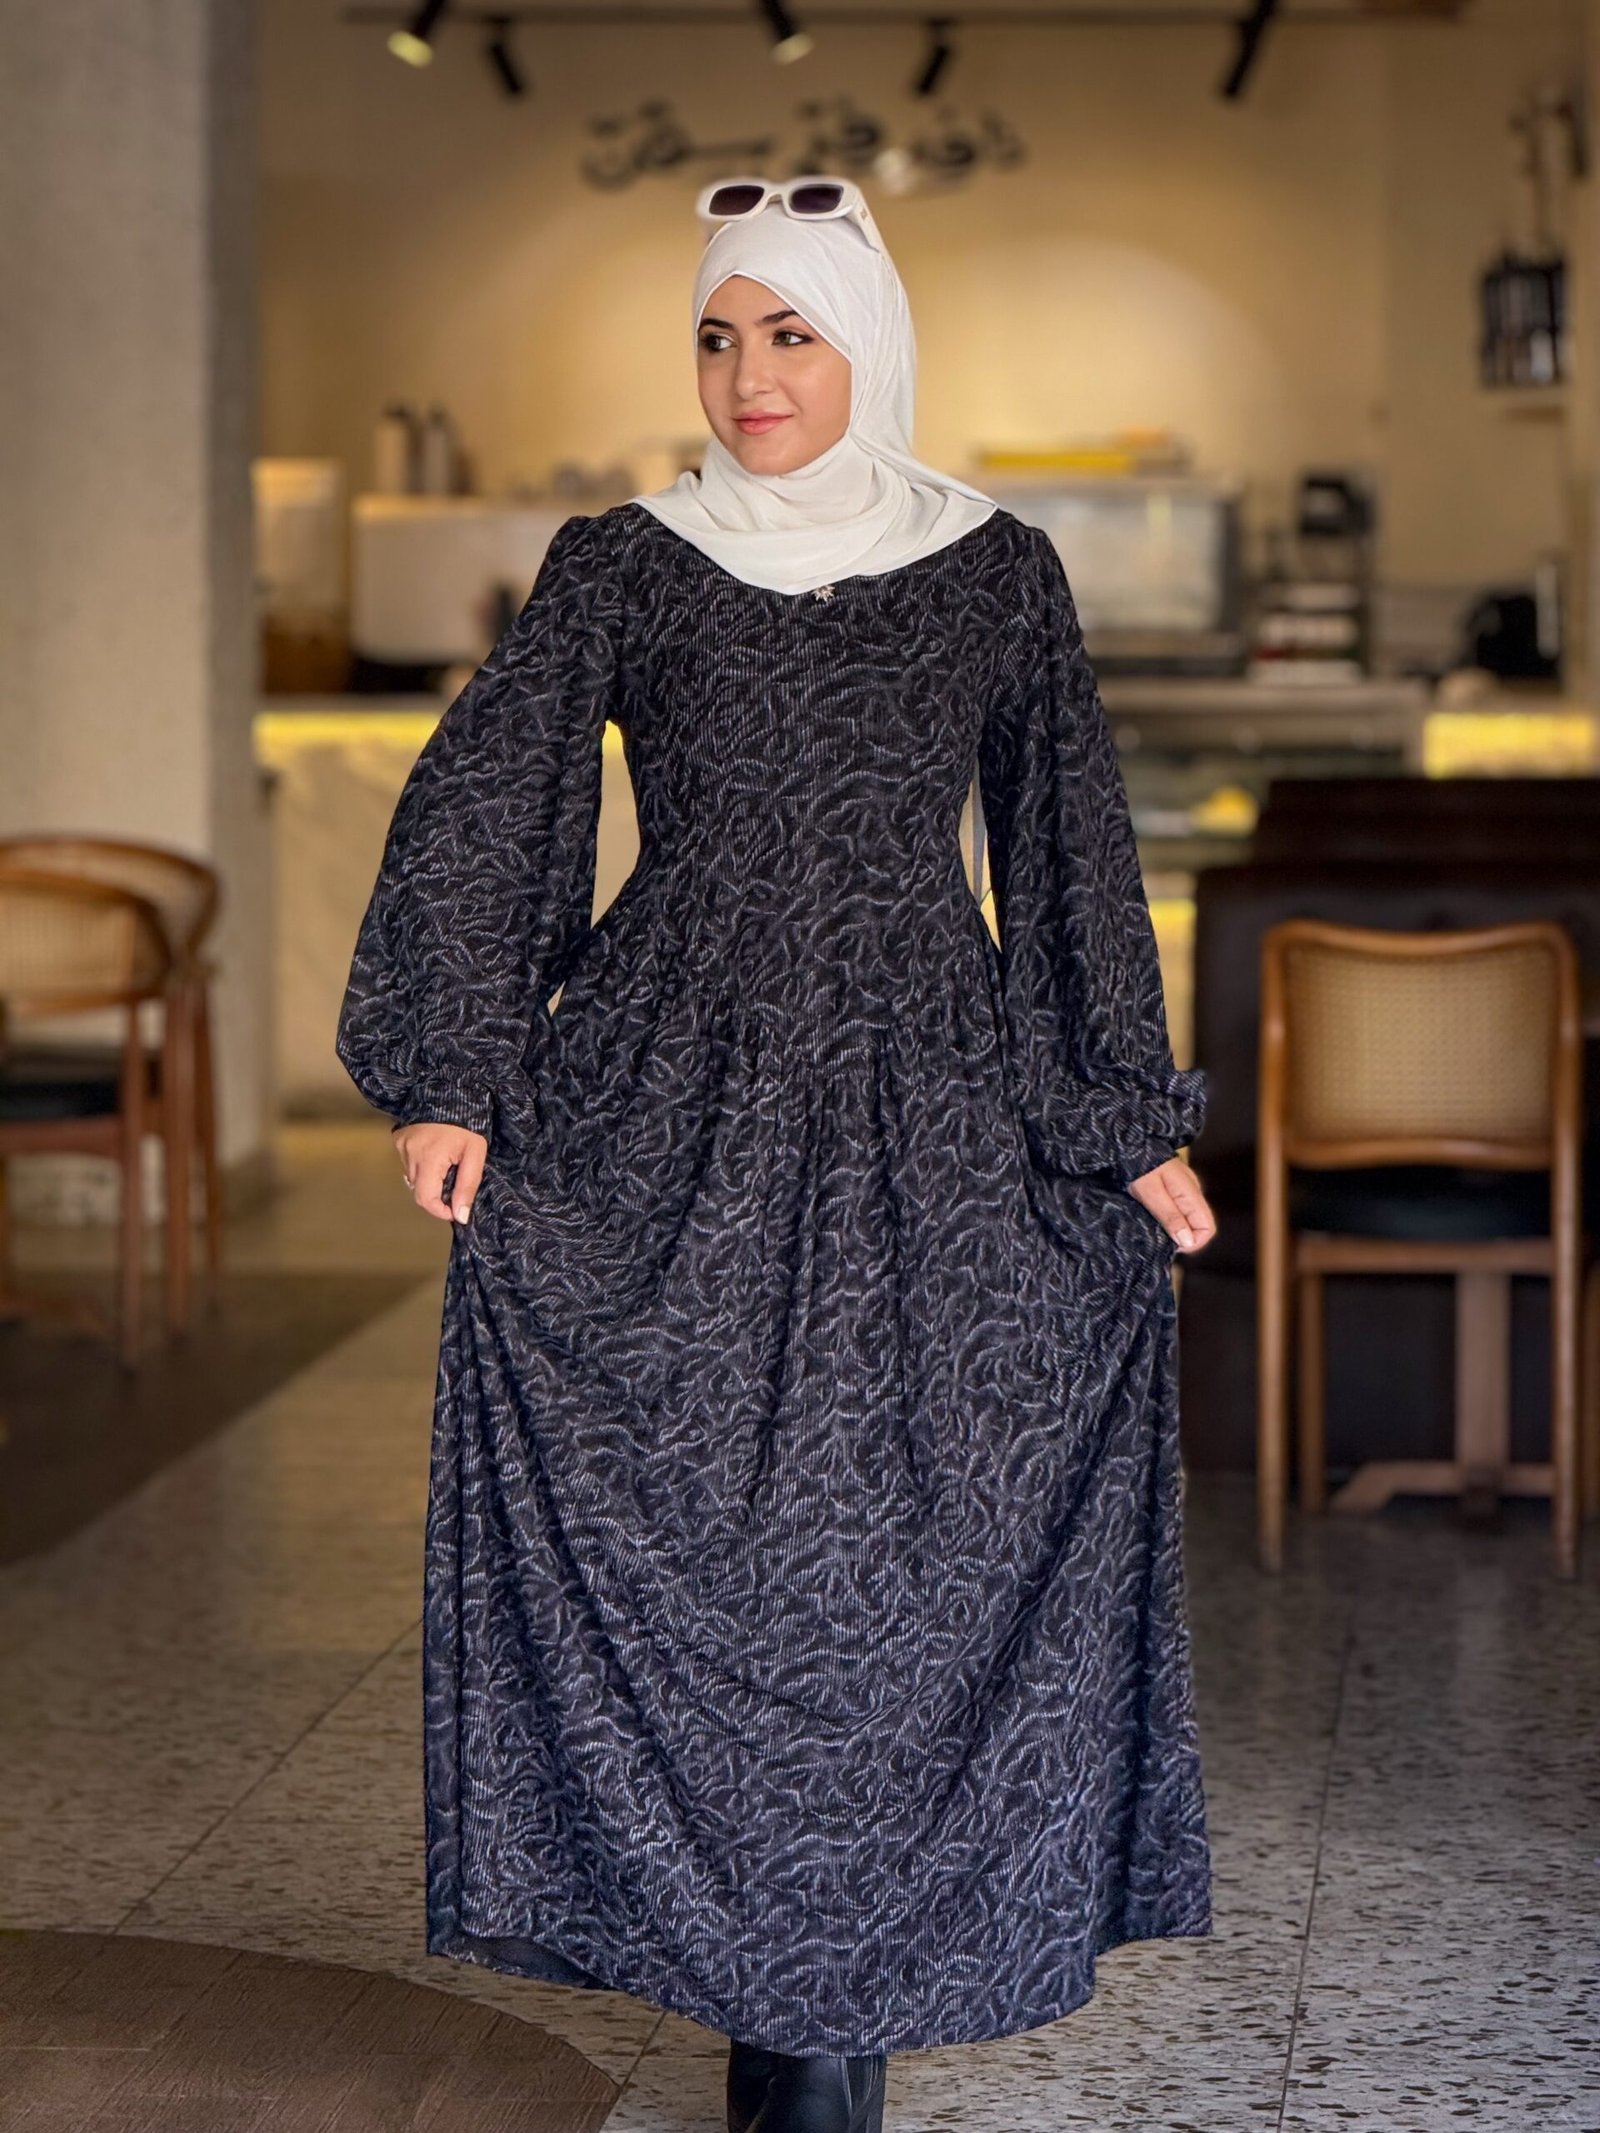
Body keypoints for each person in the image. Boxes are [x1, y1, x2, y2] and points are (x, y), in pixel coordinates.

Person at [336, 173, 1219, 2133]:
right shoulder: (622, 562)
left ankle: (820, 2042)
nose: (750, 375)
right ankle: (779, 2024)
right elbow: (493, 791)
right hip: (672, 1115)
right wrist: (453, 1072)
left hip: (933, 1110)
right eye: (719, 336)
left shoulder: (995, 570)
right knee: (729, 1576)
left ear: (865, 343)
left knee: (896, 1573)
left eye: (792, 332)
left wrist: (1118, 1121)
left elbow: (1067, 843)